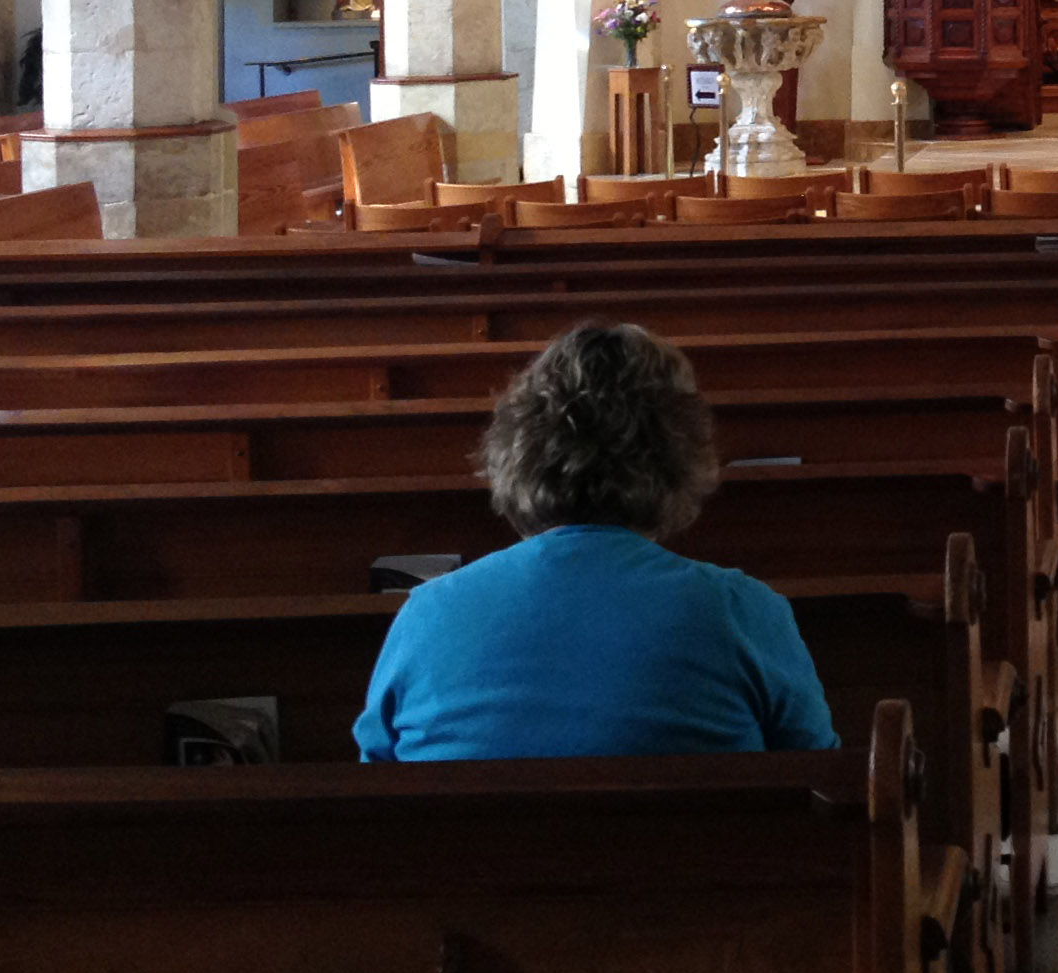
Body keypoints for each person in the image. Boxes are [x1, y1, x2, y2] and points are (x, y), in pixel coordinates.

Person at [354, 324, 837, 761]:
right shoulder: (740, 611)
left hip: (471, 860)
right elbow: (821, 781)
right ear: (680, 456)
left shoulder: (428, 614)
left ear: (516, 451)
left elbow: (378, 790)